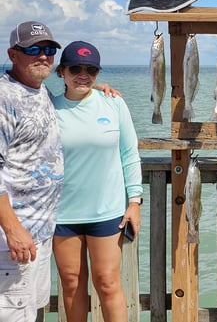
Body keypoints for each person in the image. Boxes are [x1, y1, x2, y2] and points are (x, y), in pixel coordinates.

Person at [50, 41, 143, 322]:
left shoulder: (113, 102)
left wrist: (135, 201)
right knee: (71, 283)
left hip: (107, 211)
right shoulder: (48, 108)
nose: (83, 74)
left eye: (91, 69)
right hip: (62, 213)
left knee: (108, 282)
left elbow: (130, 152)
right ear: (61, 72)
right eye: (75, 68)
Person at [0, 20, 64, 322]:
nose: (43, 56)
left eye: (49, 49)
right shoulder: (4, 98)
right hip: (12, 241)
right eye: (33, 49)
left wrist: (97, 88)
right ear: (13, 55)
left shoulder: (40, 92)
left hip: (39, 236)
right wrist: (12, 229)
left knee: (33, 312)